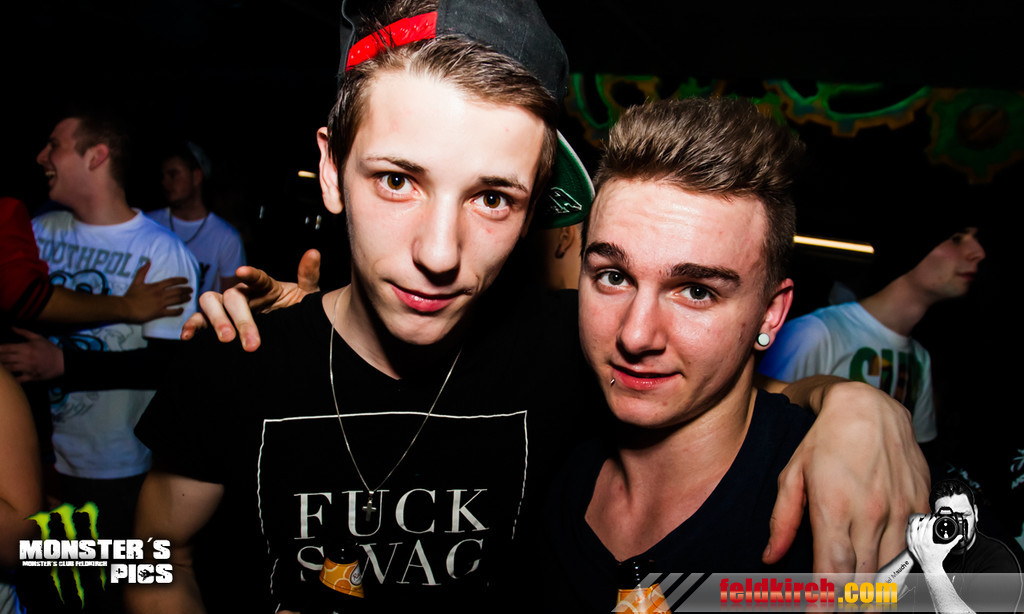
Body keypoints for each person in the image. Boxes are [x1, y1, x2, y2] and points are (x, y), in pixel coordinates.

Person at [130, 1, 927, 612]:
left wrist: (855, 406)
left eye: (492, 198)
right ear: (332, 173)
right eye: (397, 180)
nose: (438, 252)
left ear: (536, 209)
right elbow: (150, 556)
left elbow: (721, 391)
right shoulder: (235, 356)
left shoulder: (565, 355)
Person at [541, 96, 822, 610]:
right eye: (613, 276)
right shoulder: (538, 449)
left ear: (770, 314)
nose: (635, 335)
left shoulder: (840, 511)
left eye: (696, 291)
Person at [0, 109, 199, 550]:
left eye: (54, 146)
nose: (41, 157)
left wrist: (64, 364)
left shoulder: (160, 251)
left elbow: (167, 367)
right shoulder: (38, 230)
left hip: (113, 466)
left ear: (96, 156)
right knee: (48, 572)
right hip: (33, 457)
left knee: (109, 574)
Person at [758, 222, 986, 464]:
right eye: (956, 238)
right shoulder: (815, 333)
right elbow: (763, 429)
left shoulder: (920, 357)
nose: (979, 253)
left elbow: (915, 454)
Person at [876, 478, 1022, 612]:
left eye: (963, 516)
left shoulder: (998, 560)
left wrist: (932, 568)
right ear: (934, 520)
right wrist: (914, 549)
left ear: (976, 514)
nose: (956, 524)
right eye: (947, 518)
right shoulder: (927, 551)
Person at [146, 142, 247, 294]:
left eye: (173, 174)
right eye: (163, 176)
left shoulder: (226, 237)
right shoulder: (149, 224)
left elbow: (232, 298)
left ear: (197, 176)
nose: (165, 182)